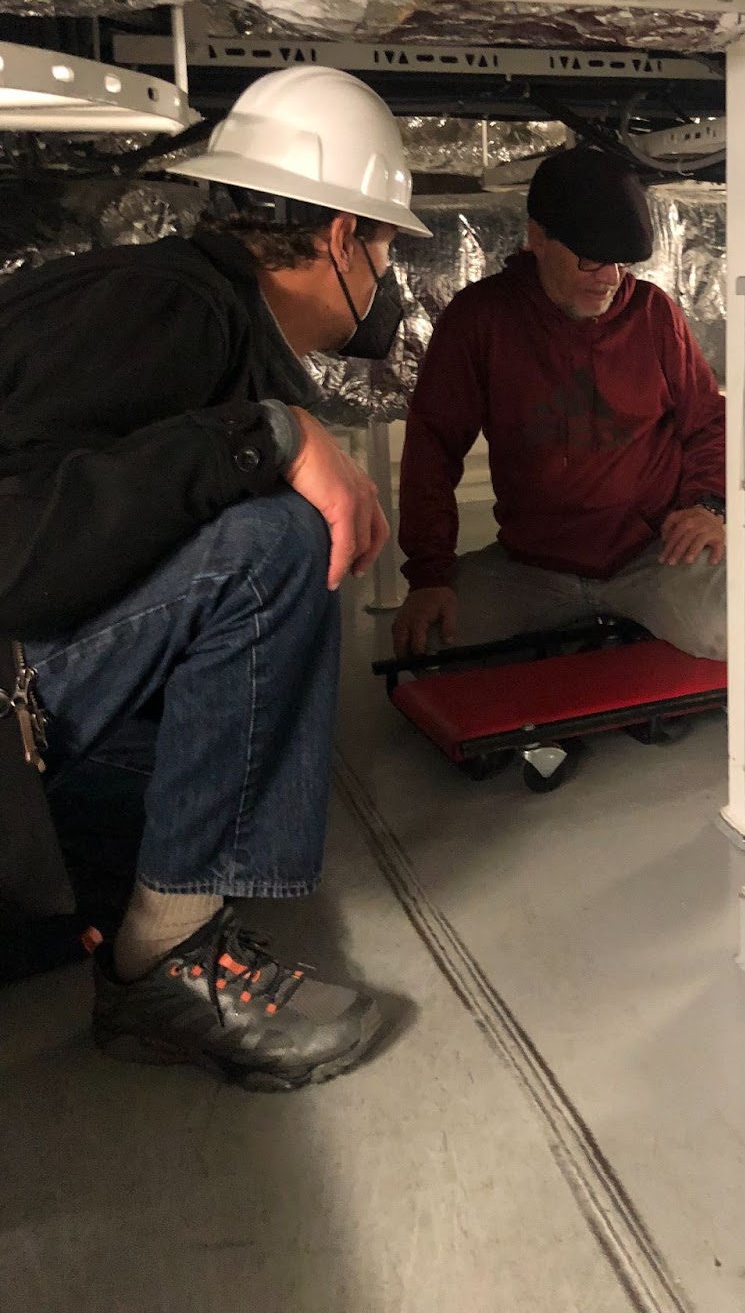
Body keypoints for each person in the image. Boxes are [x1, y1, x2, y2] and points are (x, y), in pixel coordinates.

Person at [0, 64, 430, 1090]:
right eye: (383, 247)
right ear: (340, 238)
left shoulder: (191, 308)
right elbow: (19, 547)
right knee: (279, 539)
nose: (384, 276)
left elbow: (130, 551)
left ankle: (127, 901)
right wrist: (264, 437)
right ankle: (165, 964)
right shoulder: (171, 309)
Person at [391, 146, 726, 664]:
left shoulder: (654, 315)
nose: (609, 278)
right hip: (532, 565)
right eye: (591, 259)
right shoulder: (482, 319)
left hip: (652, 556)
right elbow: (433, 445)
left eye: (621, 263)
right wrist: (429, 574)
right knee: (429, 645)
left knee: (740, 630)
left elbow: (707, 423)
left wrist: (708, 506)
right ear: (538, 238)